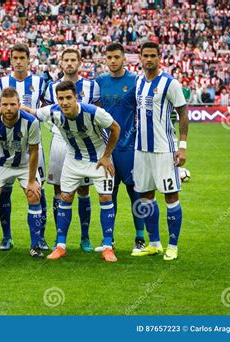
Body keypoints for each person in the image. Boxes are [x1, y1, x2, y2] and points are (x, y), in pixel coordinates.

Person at [22, 81, 121, 262]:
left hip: (98, 160)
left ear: (76, 97)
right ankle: (61, 246)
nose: (65, 102)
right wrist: (4, 108)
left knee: (105, 198)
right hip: (73, 160)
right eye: (61, 98)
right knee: (65, 198)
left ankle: (108, 246)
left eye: (69, 98)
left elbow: (115, 128)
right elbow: (32, 112)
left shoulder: (93, 113)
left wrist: (107, 155)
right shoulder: (53, 111)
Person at [131, 42, 189, 261]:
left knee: (170, 196)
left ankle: (172, 245)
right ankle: (154, 243)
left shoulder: (169, 83)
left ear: (159, 57)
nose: (148, 59)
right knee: (146, 197)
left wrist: (182, 147)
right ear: (140, 57)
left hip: (165, 149)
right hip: (141, 149)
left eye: (152, 56)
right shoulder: (137, 82)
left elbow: (183, 114)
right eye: (145, 55)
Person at [0, 43, 48, 251]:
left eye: (22, 57)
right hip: (6, 148)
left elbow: (47, 108)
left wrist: (26, 110)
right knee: (3, 192)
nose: (18, 61)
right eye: (15, 58)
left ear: (28, 59)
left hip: (32, 147)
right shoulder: (1, 82)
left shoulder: (40, 82)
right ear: (11, 59)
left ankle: (40, 237)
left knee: (38, 191)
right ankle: (6, 237)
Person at [45, 48, 100, 252]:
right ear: (60, 63)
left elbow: (99, 115)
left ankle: (85, 238)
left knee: (84, 190)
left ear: (80, 62)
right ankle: (60, 239)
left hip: (85, 144)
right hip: (60, 142)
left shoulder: (91, 86)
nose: (69, 63)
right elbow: (46, 112)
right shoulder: (51, 87)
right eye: (65, 60)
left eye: (72, 60)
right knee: (59, 190)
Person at [95, 42, 146, 255]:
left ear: (124, 58)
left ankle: (140, 238)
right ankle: (109, 239)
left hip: (129, 147)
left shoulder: (135, 81)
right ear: (105, 59)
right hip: (107, 149)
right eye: (109, 57)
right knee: (109, 193)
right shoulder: (99, 82)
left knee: (135, 192)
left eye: (117, 57)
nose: (113, 61)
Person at [0, 87, 43, 258]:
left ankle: (35, 245)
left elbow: (34, 152)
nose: (8, 108)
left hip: (24, 165)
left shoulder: (31, 122)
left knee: (34, 194)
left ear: (19, 105)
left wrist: (32, 181)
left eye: (12, 104)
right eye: (4, 105)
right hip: (1, 164)